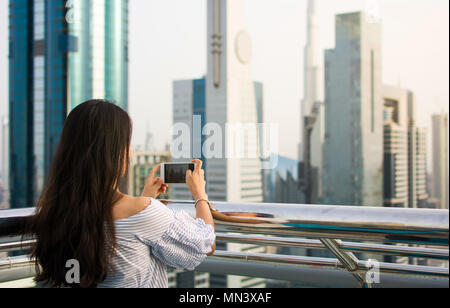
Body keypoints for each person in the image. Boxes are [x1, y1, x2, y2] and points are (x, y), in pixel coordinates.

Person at [28, 100, 216, 288]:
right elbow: (205, 244)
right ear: (115, 153)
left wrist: (145, 199)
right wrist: (200, 194)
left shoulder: (55, 213)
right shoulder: (144, 212)